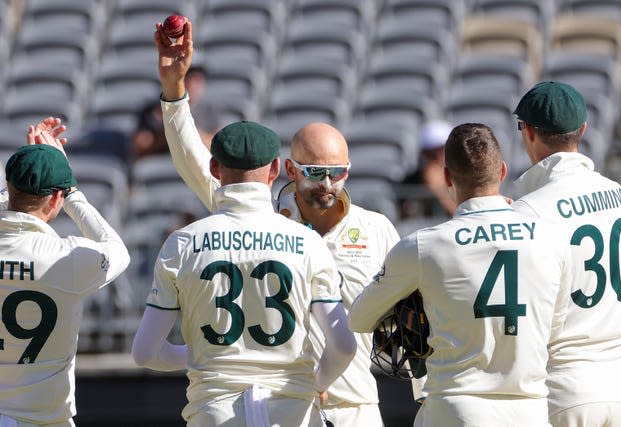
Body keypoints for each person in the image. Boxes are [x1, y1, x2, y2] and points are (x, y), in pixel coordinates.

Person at [153, 19, 401, 426]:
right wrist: (175, 91)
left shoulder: (377, 231)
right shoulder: (261, 220)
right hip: (283, 407)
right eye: (314, 171)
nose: (327, 183)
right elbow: (194, 161)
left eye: (337, 172)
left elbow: (412, 320)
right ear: (287, 169)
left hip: (354, 409)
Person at [131, 120, 356, 426]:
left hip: (214, 410)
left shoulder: (181, 243)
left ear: (214, 167)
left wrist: (202, 354)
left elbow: (145, 353)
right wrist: (317, 383)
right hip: (290, 411)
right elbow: (343, 346)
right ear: (275, 169)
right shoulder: (308, 242)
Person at [349, 123, 573, 426]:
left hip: (455, 409)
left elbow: (358, 319)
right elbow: (555, 328)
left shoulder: (423, 246)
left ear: (446, 177)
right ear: (503, 171)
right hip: (530, 411)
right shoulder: (550, 238)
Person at [511, 80, 621, 427]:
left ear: (529, 132)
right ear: (582, 129)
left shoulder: (529, 211)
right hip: (618, 385)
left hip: (561, 388)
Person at [0, 117, 130, 426]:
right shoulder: (68, 257)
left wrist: (26, 173)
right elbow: (117, 249)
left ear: (8, 186)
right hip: (46, 420)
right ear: (56, 198)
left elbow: (14, 198)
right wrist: (72, 192)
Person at [131, 54, 222, 161]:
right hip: (162, 168)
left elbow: (219, 147)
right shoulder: (155, 109)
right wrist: (168, 133)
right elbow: (139, 147)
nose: (192, 83)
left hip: (194, 170)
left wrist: (188, 132)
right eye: (186, 76)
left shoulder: (209, 110)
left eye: (197, 78)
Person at [401, 120, 457, 219]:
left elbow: (459, 214)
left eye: (446, 148)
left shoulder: (463, 177)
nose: (441, 155)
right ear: (425, 153)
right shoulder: (408, 182)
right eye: (435, 152)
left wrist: (439, 188)